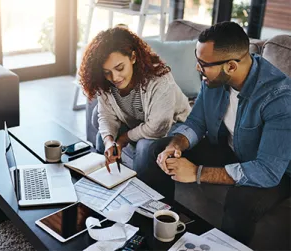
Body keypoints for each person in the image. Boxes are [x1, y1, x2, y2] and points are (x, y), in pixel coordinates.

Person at [137, 21, 291, 244]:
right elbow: (197, 122)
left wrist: (197, 172)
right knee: (157, 150)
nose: (197, 68)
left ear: (230, 66)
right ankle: (158, 233)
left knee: (242, 201)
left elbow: (267, 171)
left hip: (274, 171)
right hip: (231, 149)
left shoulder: (279, 99)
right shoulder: (215, 80)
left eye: (203, 63)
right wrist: (176, 144)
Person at [79, 27, 191, 171]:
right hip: (139, 120)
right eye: (107, 72)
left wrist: (123, 139)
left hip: (172, 125)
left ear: (132, 57)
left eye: (120, 68)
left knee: (145, 147)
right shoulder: (106, 81)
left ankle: (143, 189)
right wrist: (109, 142)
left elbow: (157, 127)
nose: (115, 78)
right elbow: (106, 115)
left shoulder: (159, 80)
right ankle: (107, 177)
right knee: (102, 131)